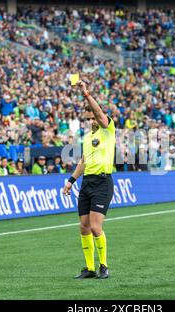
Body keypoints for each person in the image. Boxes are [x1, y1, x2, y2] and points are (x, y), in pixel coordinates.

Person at [63, 80, 115, 280]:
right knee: (83, 226)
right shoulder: (86, 137)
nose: (91, 120)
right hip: (87, 183)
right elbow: (83, 162)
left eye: (92, 116)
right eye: (88, 118)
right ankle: (90, 268)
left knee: (95, 226)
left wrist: (86, 94)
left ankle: (104, 265)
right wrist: (71, 181)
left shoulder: (108, 129)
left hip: (103, 182)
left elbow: (100, 114)